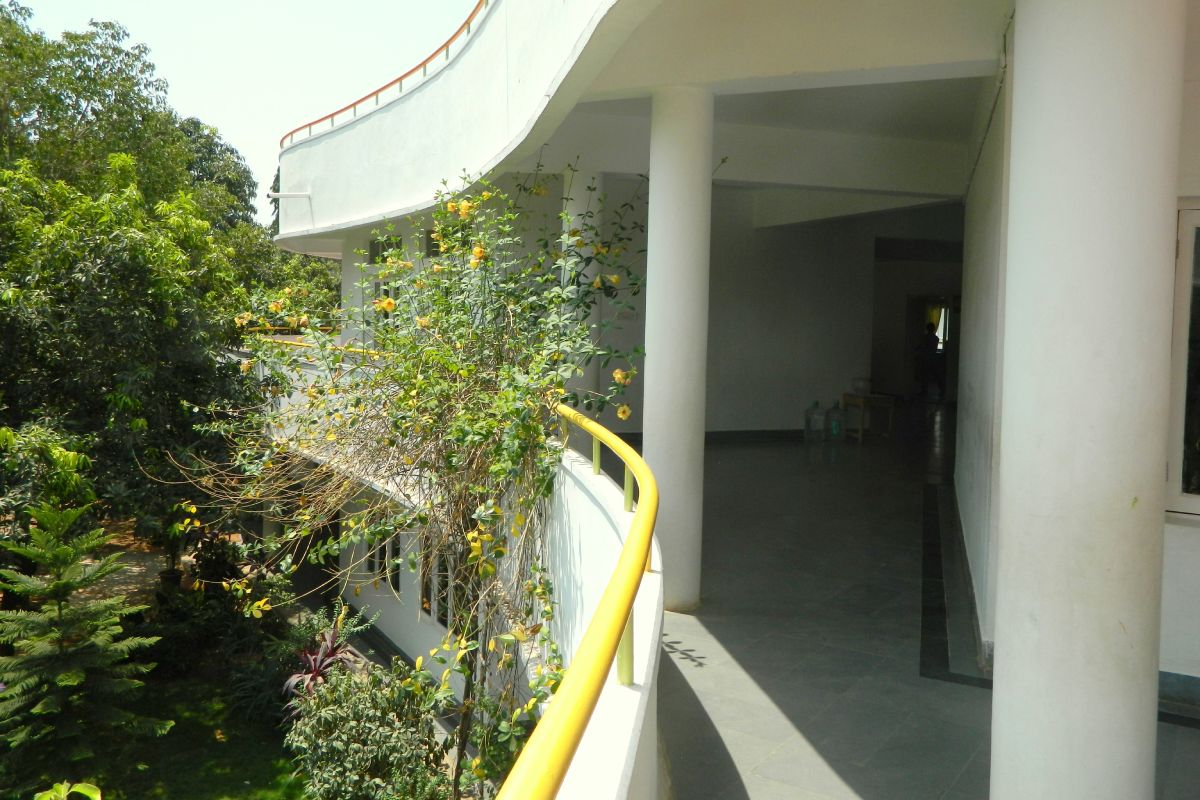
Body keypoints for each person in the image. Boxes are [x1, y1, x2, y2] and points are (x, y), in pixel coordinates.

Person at [915, 322, 944, 400]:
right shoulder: (936, 338)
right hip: (933, 358)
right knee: (936, 375)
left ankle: (924, 391)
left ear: (927, 329)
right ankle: (942, 390)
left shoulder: (925, 338)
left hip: (926, 358)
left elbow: (921, 347)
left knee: (925, 375)